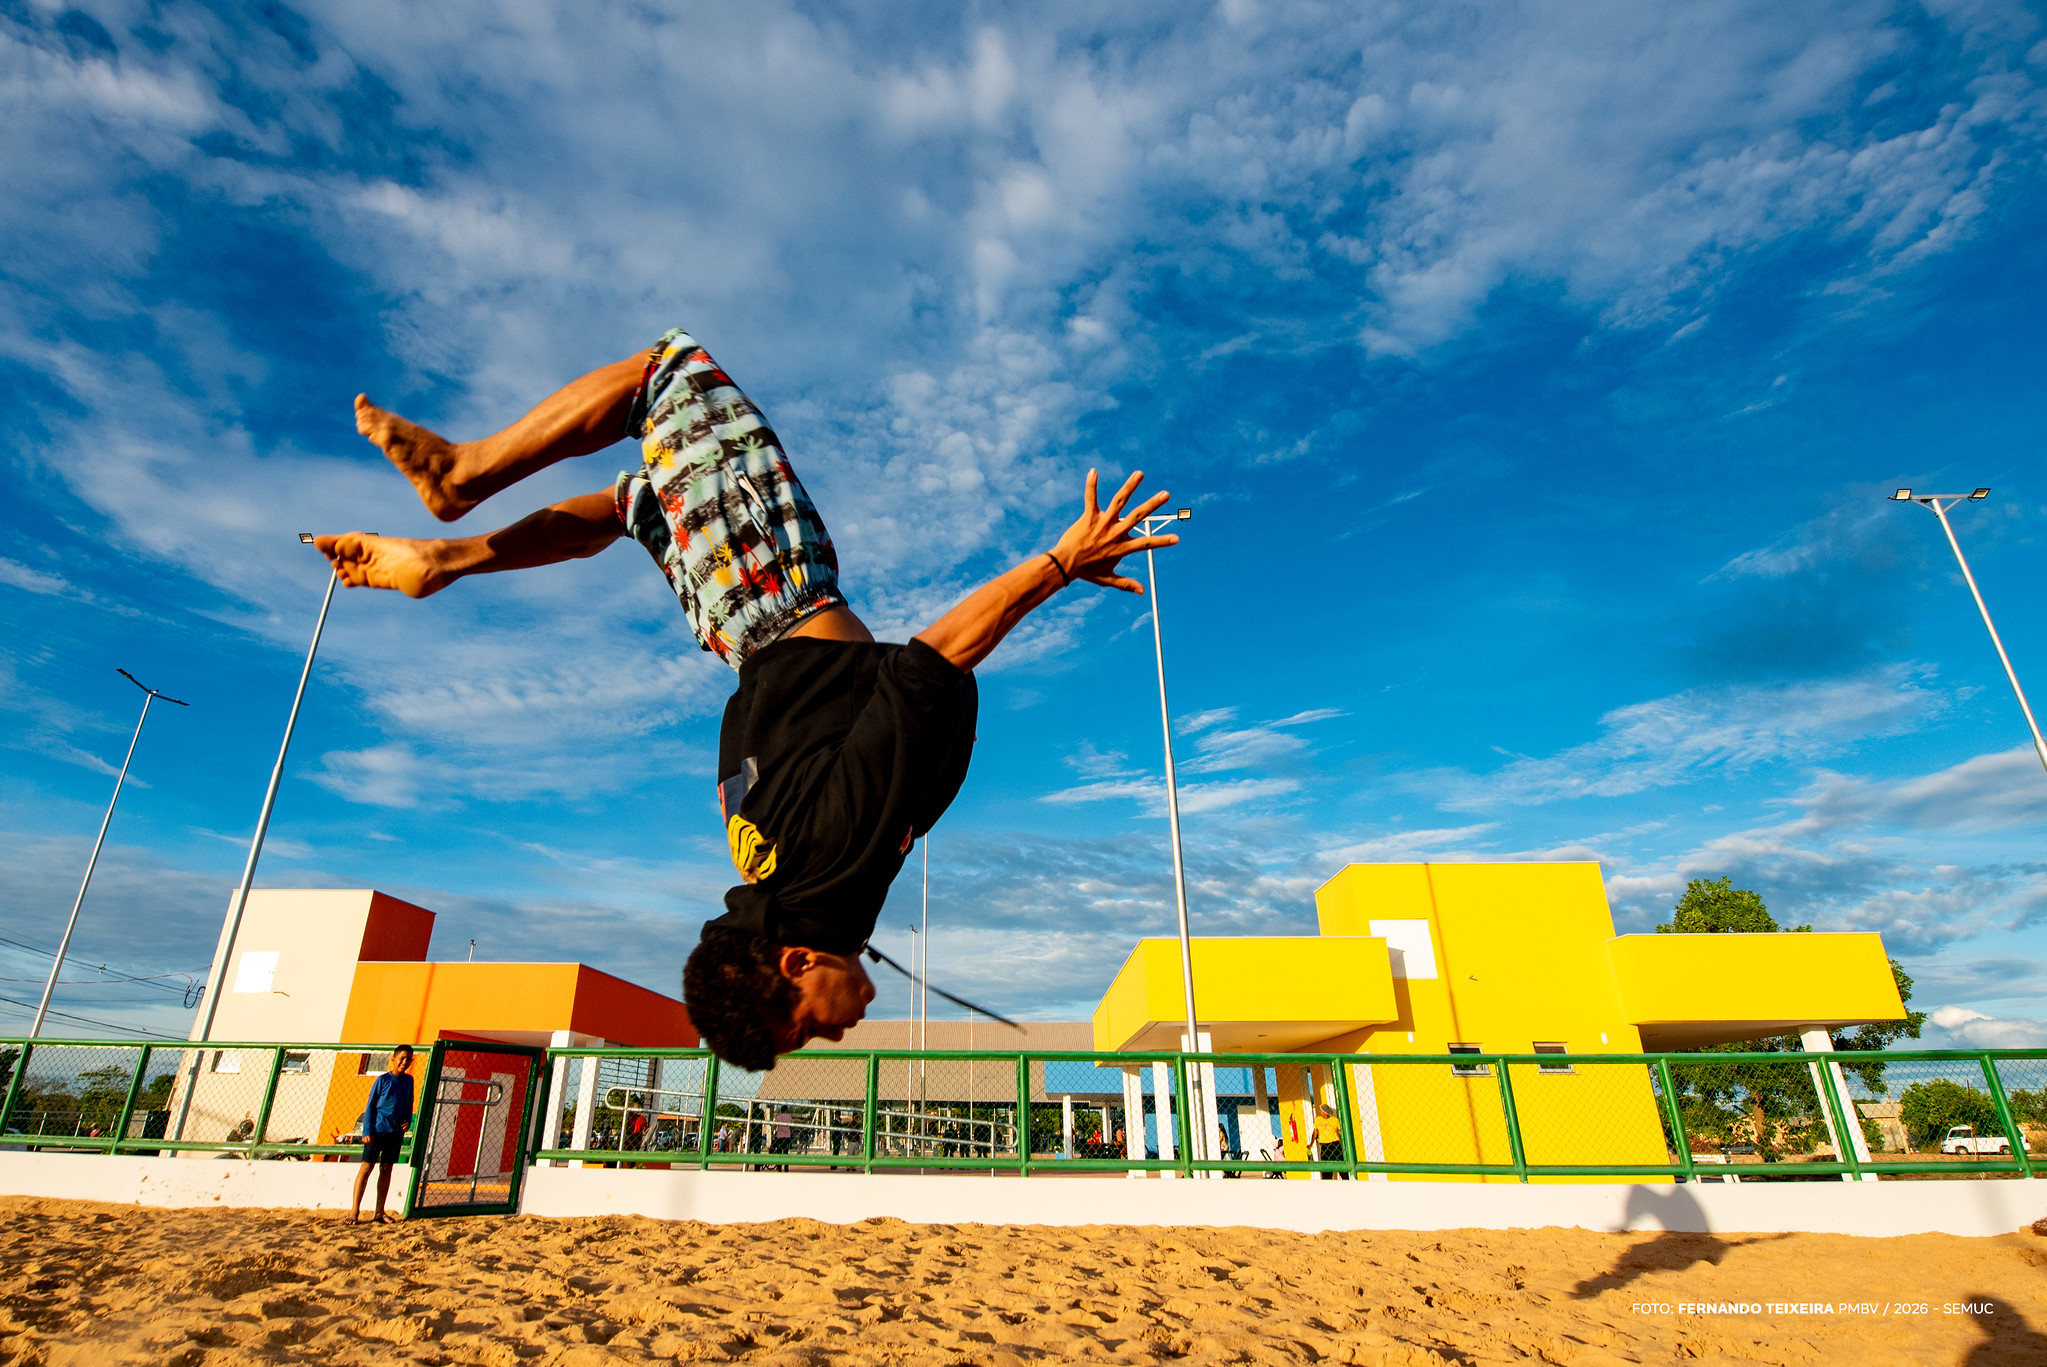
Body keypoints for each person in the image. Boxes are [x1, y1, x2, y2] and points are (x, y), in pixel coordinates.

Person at [319, 328, 1178, 1073]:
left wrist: (1060, 563)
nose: (835, 1034)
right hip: (733, 629)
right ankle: (444, 562)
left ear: (797, 962)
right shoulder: (770, 880)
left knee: (666, 371)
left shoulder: (830, 856)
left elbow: (935, 658)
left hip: (773, 587)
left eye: (807, 1029)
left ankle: (463, 476)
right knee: (630, 504)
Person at [349, 1045, 415, 1224]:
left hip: (394, 1134)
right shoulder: (382, 1080)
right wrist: (367, 1131)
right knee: (366, 1168)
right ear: (393, 1059)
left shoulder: (409, 1081)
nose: (404, 1062)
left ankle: (379, 1212)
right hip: (377, 1131)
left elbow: (409, 1103)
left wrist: (407, 1121)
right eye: (401, 1058)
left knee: (386, 1169)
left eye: (408, 1059)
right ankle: (354, 1211)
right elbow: (370, 1106)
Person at [1313, 1103, 1349, 1180]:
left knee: (1341, 1166)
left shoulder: (1334, 1120)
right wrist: (1310, 1143)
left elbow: (1340, 1131)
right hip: (1325, 1146)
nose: (1319, 1112)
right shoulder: (1318, 1119)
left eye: (1321, 1111)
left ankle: (1347, 1181)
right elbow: (1315, 1132)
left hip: (1335, 1144)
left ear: (1324, 1112)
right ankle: (1327, 1183)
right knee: (1326, 1168)